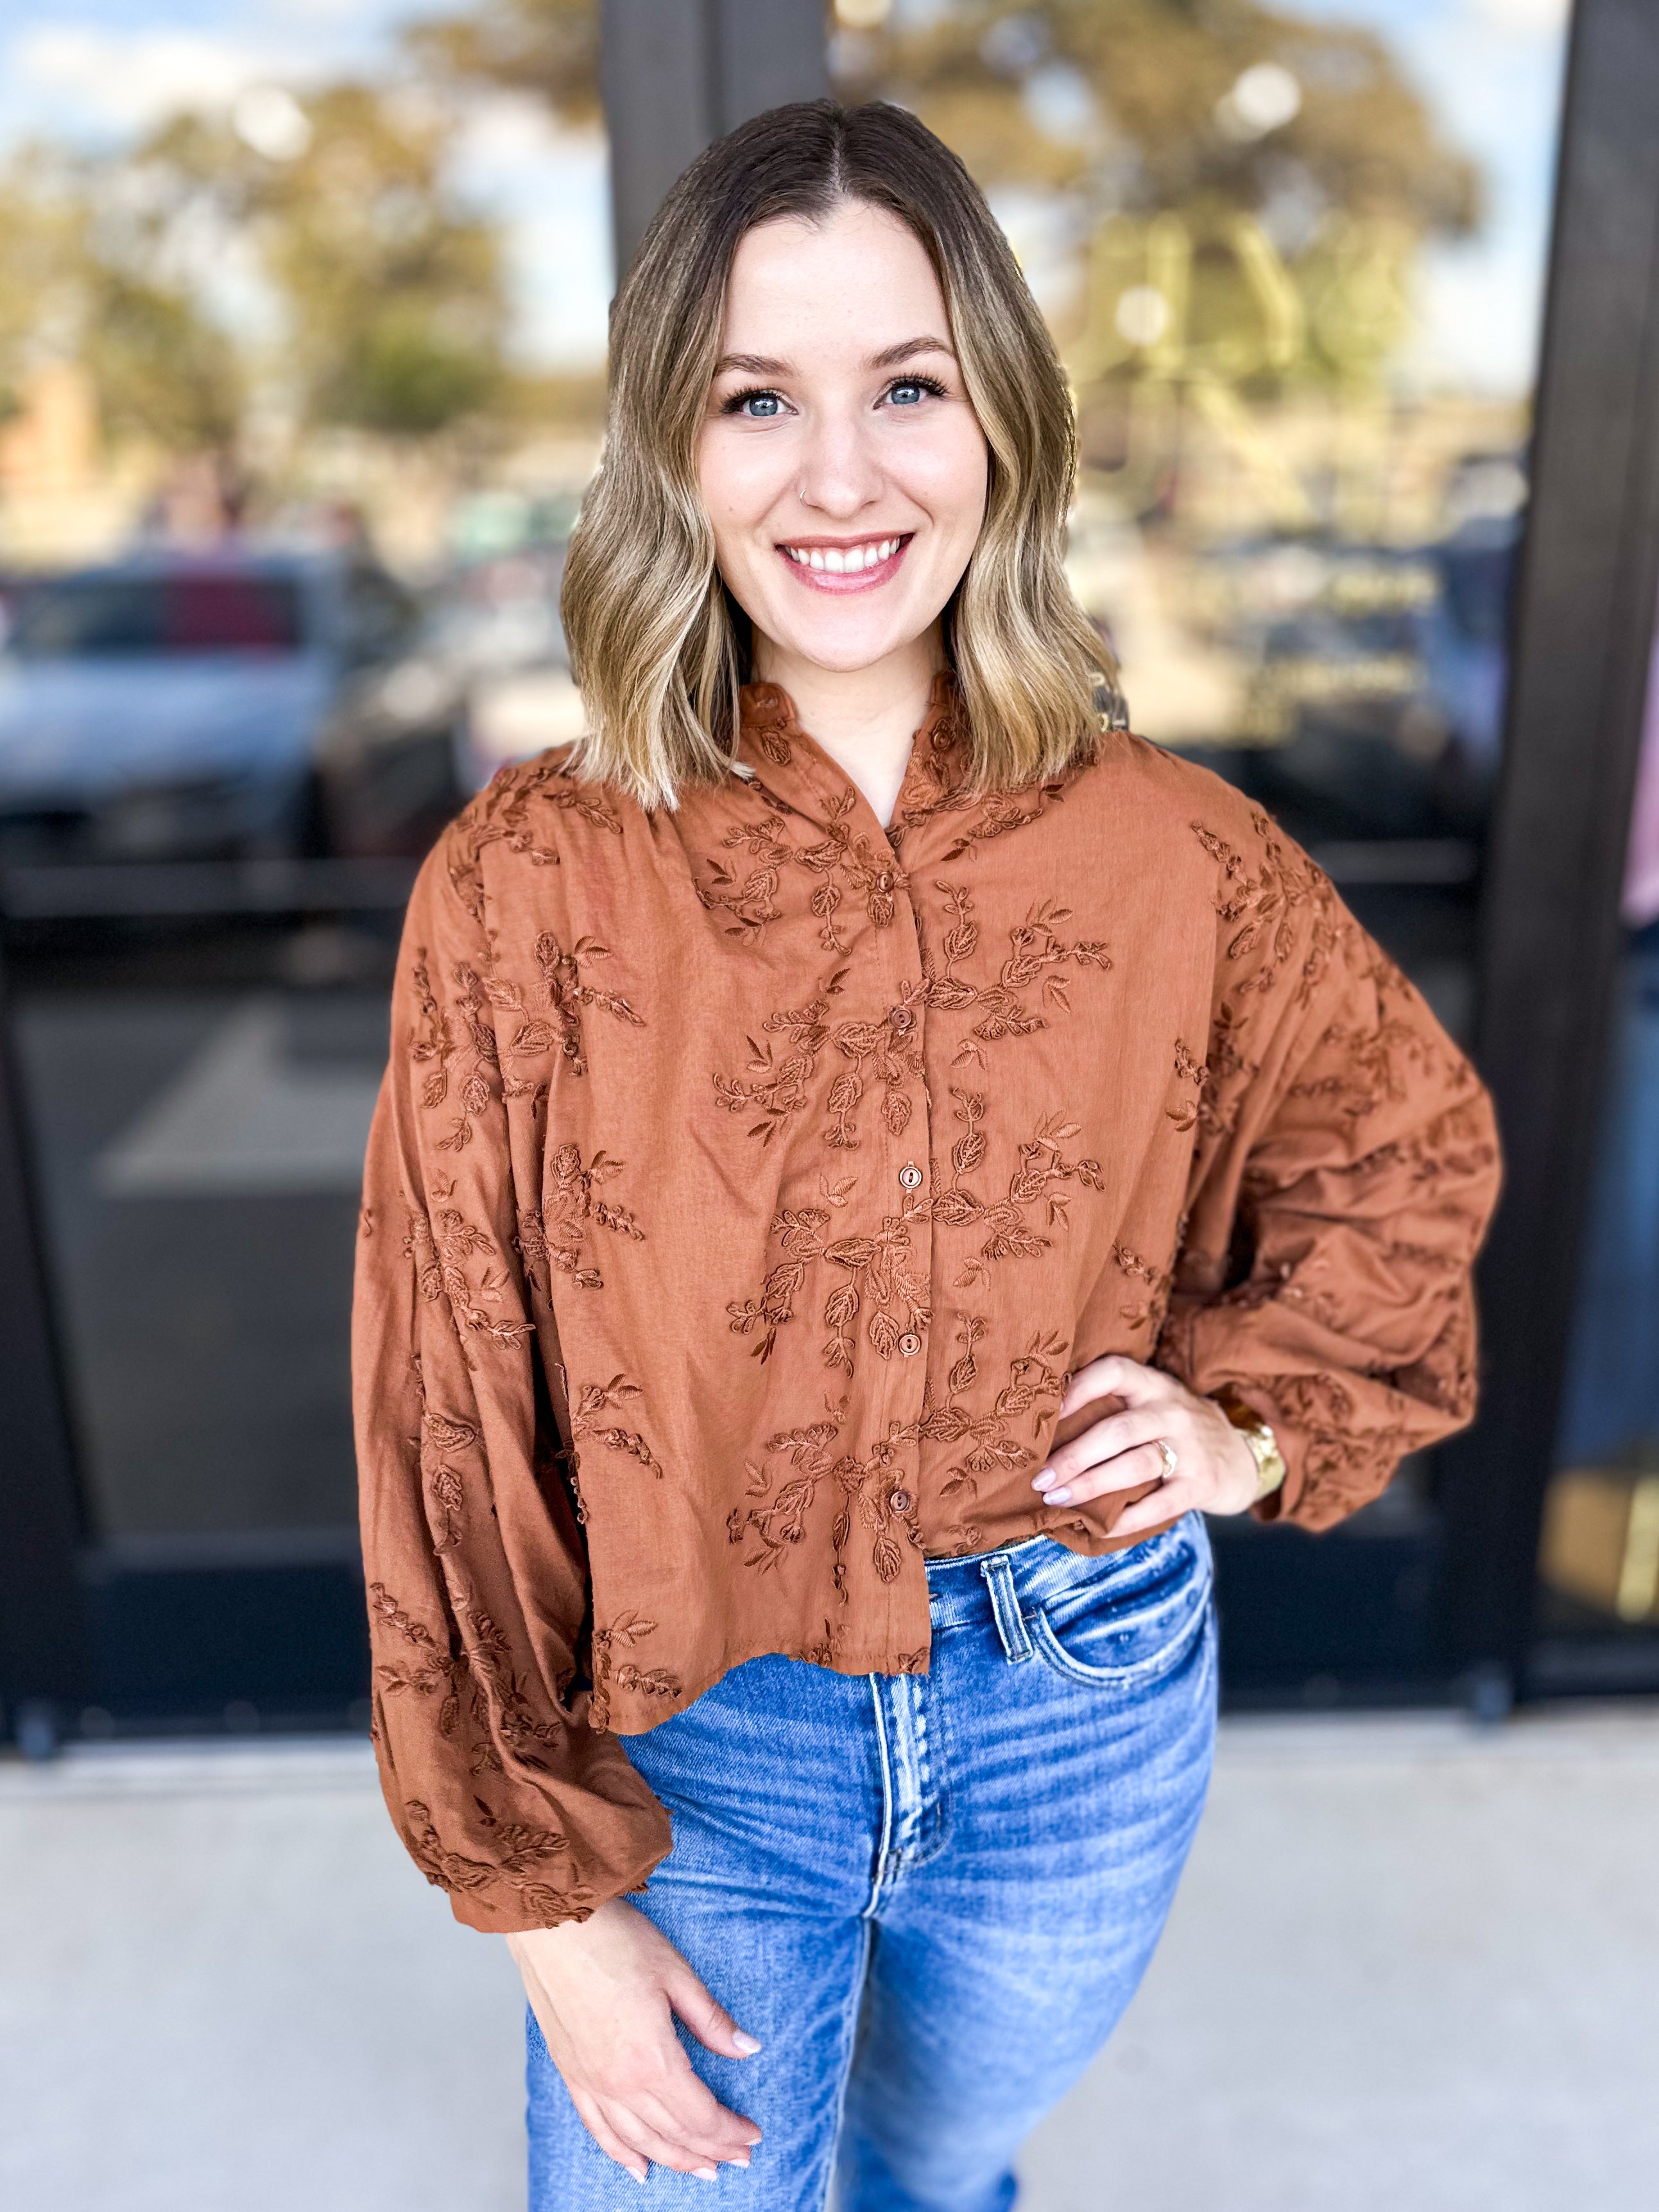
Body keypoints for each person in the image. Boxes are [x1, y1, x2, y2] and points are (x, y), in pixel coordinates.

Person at [352, 99, 1500, 2211]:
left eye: (907, 387)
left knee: (932, 2166)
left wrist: (1250, 1430)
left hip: (1081, 1697)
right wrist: (534, 1905)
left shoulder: (1174, 849)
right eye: (756, 399)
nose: (841, 473)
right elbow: (449, 1397)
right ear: (667, 455)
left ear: (1002, 423)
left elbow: (1400, 1148)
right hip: (699, 1727)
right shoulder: (530, 879)